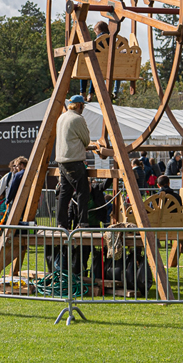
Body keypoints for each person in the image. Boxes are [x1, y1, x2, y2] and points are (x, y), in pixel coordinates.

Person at [55, 95, 91, 229]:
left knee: (65, 192)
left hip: (62, 161)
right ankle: (82, 223)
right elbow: (86, 140)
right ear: (80, 105)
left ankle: (61, 223)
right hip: (74, 160)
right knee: (83, 191)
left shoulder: (61, 117)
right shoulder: (78, 119)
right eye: (83, 105)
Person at [79, 21, 122, 101]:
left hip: (98, 67)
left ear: (98, 30)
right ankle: (90, 93)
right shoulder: (113, 40)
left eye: (95, 31)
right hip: (110, 69)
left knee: (85, 68)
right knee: (94, 69)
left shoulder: (99, 40)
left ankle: (83, 92)